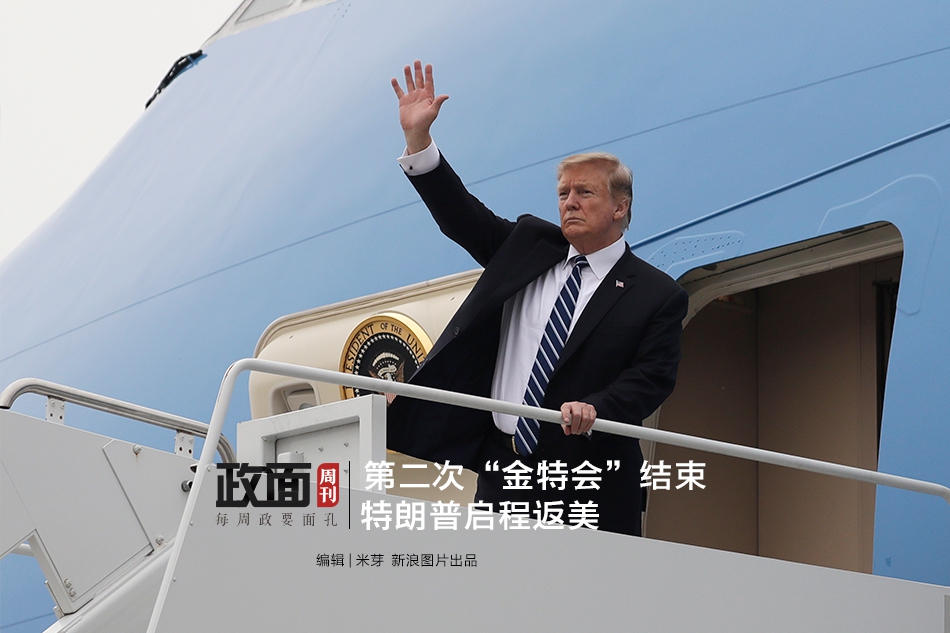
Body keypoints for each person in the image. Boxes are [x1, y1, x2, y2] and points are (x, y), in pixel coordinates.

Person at [386, 61, 688, 536]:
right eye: (563, 192)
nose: (569, 202)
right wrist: (419, 142)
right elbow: (461, 216)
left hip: (590, 479)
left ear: (620, 206)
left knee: (584, 586)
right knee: (500, 583)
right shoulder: (528, 246)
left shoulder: (657, 294)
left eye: (585, 192)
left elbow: (652, 378)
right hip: (503, 468)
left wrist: (597, 407)